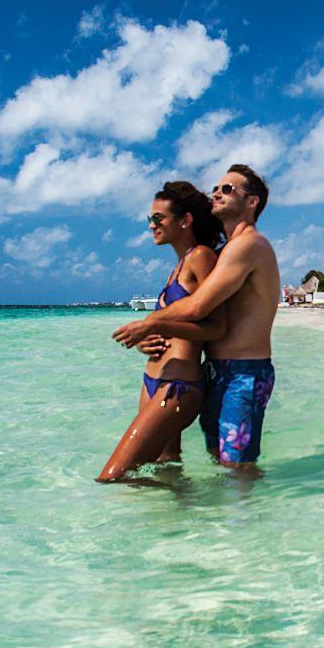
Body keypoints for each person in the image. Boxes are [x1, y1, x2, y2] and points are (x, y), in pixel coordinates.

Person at [113, 164, 279, 469]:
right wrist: (150, 337)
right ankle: (214, 518)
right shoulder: (227, 250)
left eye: (228, 189)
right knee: (221, 465)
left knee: (237, 469)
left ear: (252, 202)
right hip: (215, 371)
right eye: (216, 188)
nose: (217, 192)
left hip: (244, 371)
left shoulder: (248, 245)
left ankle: (247, 516)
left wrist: (148, 323)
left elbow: (198, 307)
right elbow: (195, 315)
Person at [96, 182, 226, 482]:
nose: (152, 225)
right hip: (153, 380)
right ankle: (192, 527)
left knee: (113, 477)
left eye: (158, 218)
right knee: (167, 472)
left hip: (178, 386)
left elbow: (217, 328)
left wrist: (156, 324)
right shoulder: (178, 266)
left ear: (185, 220)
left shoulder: (201, 257)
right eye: (149, 220)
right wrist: (147, 342)